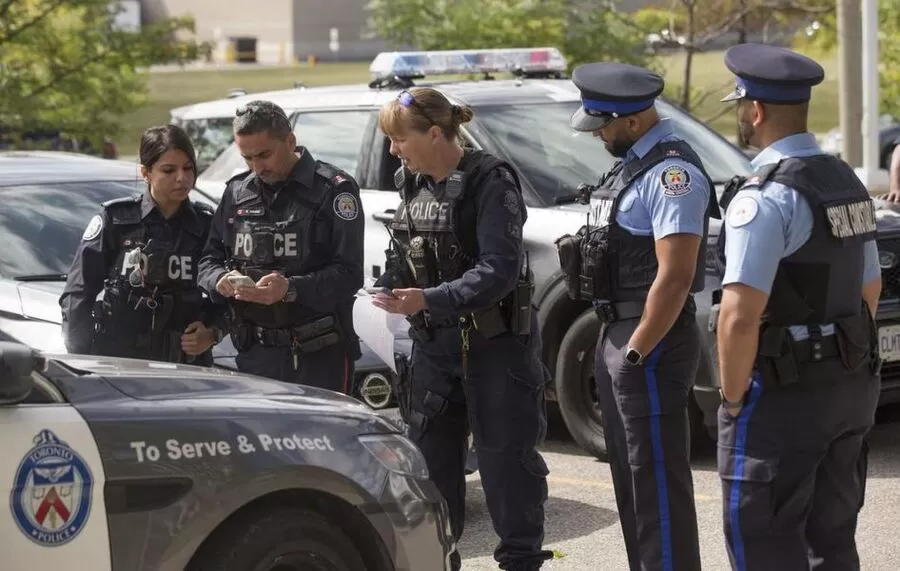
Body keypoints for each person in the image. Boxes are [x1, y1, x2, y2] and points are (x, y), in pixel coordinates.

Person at [714, 43, 882, 571]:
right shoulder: (846, 181)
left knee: (763, 541)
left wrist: (733, 399)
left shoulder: (764, 196)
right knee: (831, 541)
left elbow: (738, 318)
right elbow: (870, 288)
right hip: (849, 385)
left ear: (755, 110)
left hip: (782, 396)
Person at [370, 87, 552, 571]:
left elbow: (499, 270)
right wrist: (390, 286)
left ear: (435, 133)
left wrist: (428, 298)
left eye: (398, 139)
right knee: (430, 472)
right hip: (434, 350)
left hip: (495, 348)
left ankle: (520, 562)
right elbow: (404, 254)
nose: (393, 150)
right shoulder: (410, 181)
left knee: (507, 470)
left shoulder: (491, 181)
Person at [556, 62, 720, 571]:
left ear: (632, 121)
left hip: (649, 339)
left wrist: (637, 348)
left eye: (604, 124)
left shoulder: (673, 174)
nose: (599, 133)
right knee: (631, 480)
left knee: (655, 484)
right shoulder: (632, 165)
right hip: (619, 331)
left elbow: (675, 275)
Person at [196, 100, 364, 392]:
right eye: (247, 158)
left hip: (318, 355)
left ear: (290, 141)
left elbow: (349, 274)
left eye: (264, 155)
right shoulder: (237, 192)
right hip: (255, 354)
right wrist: (221, 280)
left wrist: (290, 288)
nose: (256, 167)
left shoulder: (333, 190)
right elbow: (208, 260)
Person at [60, 124, 224, 364]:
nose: (182, 178)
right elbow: (79, 292)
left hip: (187, 367)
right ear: (146, 172)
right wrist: (82, 360)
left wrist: (212, 333)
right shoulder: (116, 221)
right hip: (120, 365)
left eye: (188, 168)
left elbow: (230, 296)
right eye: (168, 170)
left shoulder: (208, 225)